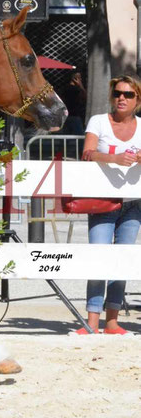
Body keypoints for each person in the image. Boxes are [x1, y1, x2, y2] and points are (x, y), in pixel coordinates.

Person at [76, 75, 141, 335]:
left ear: (138, 99)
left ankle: (112, 320)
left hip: (133, 204)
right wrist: (113, 157)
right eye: (117, 94)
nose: (121, 98)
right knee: (99, 256)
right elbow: (87, 154)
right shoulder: (99, 121)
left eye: (128, 94)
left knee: (121, 260)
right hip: (102, 200)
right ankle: (92, 319)